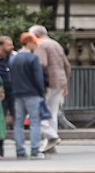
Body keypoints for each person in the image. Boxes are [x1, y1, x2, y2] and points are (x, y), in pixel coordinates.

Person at [6, 33, 49, 159]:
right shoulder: (33, 58)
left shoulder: (13, 58)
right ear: (29, 43)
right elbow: (38, 78)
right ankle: (35, 150)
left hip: (18, 93)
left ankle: (20, 150)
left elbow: (10, 77)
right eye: (34, 42)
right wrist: (42, 92)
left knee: (18, 122)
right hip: (32, 93)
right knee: (35, 122)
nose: (36, 45)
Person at [27, 24, 69, 152]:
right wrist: (65, 83)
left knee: (40, 111)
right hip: (60, 81)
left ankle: (52, 137)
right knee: (52, 113)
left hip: (48, 82)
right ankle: (51, 144)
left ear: (36, 35)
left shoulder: (40, 44)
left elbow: (41, 63)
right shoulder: (56, 44)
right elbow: (66, 64)